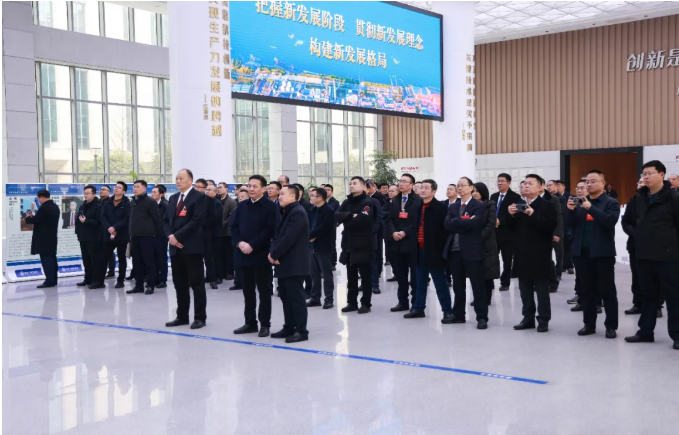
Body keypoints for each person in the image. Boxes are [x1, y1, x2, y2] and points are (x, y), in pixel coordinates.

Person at [625, 161, 679, 350]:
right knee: (648, 296)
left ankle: (677, 335)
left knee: (673, 296)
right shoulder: (639, 198)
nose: (646, 177)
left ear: (662, 174)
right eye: (644, 174)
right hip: (644, 255)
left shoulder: (673, 198)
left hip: (668, 257)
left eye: (650, 173)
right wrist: (637, 235)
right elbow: (629, 221)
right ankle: (645, 332)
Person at [568, 169, 620, 339]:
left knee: (607, 291)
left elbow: (609, 221)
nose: (589, 184)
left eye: (593, 181)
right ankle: (589, 324)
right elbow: (571, 226)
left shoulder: (611, 202)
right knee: (586, 290)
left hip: (602, 253)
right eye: (587, 182)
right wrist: (570, 210)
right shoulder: (581, 202)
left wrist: (590, 208)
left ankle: (611, 326)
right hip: (582, 253)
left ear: (603, 183)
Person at [231, 175, 279, 337]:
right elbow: (234, 227)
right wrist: (240, 243)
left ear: (263, 189)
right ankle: (250, 322)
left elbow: (270, 230)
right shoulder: (242, 206)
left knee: (264, 291)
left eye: (255, 186)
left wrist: (252, 245)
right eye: (249, 186)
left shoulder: (270, 207)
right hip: (243, 254)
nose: (251, 189)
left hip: (261, 255)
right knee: (247, 291)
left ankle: (265, 324)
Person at [509, 175, 558, 333]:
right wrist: (510, 214)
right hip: (522, 253)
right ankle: (528, 318)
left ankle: (543, 319)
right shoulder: (518, 205)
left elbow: (549, 226)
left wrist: (533, 214)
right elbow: (509, 228)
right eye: (524, 183)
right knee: (524, 289)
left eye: (530, 183)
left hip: (540, 253)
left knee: (542, 290)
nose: (526, 186)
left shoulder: (547, 205)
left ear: (540, 187)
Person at [165, 169, 208, 330]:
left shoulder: (199, 197)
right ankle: (182, 316)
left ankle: (200, 317)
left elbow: (196, 221)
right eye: (176, 178)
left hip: (191, 247)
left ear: (190, 180)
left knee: (196, 284)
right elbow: (165, 220)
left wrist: (178, 236)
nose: (178, 181)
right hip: (175, 248)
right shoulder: (173, 198)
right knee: (179, 284)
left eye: (181, 178)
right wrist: (170, 236)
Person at [403, 179, 452, 320]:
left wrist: (442, 251)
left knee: (440, 283)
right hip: (419, 250)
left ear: (434, 191)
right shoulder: (418, 207)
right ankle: (419, 308)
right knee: (419, 282)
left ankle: (447, 311)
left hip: (435, 251)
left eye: (426, 188)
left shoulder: (441, 208)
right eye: (421, 187)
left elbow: (445, 232)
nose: (423, 190)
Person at [444, 177, 489, 329]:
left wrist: (457, 222)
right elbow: (447, 224)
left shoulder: (479, 205)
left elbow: (476, 224)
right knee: (458, 286)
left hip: (472, 250)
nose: (460, 188)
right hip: (454, 251)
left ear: (471, 188)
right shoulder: (453, 206)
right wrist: (465, 221)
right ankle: (458, 314)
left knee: (477, 285)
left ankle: (482, 317)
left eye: (463, 185)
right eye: (458, 185)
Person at [269, 185, 311, 343]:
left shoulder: (297, 212)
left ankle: (301, 331)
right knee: (286, 296)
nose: (279, 197)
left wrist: (274, 254)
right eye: (279, 194)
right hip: (284, 262)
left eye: (282, 194)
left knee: (296, 297)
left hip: (294, 263)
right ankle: (289, 327)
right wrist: (274, 253)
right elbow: (278, 236)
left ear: (293, 196)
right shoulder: (287, 211)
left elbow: (289, 237)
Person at [336, 176, 375, 314]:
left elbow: (363, 220)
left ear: (363, 186)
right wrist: (351, 215)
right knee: (351, 276)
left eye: (355, 183)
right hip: (348, 243)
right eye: (350, 183)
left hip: (363, 244)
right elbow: (336, 216)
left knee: (365, 276)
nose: (351, 186)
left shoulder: (367, 202)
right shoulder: (347, 201)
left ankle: (366, 303)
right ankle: (351, 302)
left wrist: (348, 218)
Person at [386, 173, 423, 312]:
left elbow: (417, 221)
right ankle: (402, 302)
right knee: (401, 276)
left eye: (404, 181)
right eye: (400, 181)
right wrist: (393, 232)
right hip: (397, 243)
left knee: (414, 277)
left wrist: (405, 232)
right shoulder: (395, 200)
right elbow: (389, 219)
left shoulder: (418, 200)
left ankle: (416, 303)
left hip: (412, 243)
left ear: (412, 185)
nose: (401, 184)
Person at [128, 180, 161, 295]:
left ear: (144, 189)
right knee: (137, 262)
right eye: (134, 187)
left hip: (147, 237)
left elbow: (157, 219)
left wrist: (152, 232)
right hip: (135, 236)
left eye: (138, 187)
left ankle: (151, 285)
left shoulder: (150, 201)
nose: (135, 189)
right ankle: (138, 286)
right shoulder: (133, 201)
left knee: (149, 262)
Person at [490, 173, 521, 291]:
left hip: (508, 234)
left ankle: (505, 282)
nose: (499, 183)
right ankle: (490, 281)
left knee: (507, 260)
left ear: (509, 183)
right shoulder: (493, 196)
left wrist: (501, 221)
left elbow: (516, 215)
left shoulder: (515, 197)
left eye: (502, 181)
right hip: (494, 233)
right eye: (498, 181)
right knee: (492, 259)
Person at [306, 188, 335, 309]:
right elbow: (307, 225)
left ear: (320, 198)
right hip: (311, 245)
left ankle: (329, 299)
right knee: (314, 273)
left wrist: (312, 235)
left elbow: (325, 227)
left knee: (326, 274)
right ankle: (315, 297)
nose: (311, 197)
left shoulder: (329, 211)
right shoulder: (311, 210)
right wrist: (309, 236)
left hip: (323, 245)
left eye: (313, 195)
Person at [25, 190, 60, 288]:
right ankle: (53, 280)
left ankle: (49, 280)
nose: (38, 201)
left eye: (38, 199)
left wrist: (28, 218)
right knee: (52, 259)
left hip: (44, 239)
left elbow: (36, 220)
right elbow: (43, 219)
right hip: (52, 237)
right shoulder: (55, 206)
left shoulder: (44, 208)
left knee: (46, 260)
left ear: (41, 197)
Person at [473, 182, 500, 306]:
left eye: (477, 191)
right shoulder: (471, 205)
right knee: (476, 273)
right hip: (473, 243)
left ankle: (487, 298)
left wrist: (479, 237)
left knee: (487, 273)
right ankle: (478, 298)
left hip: (487, 243)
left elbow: (490, 224)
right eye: (473, 191)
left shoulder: (490, 205)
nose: (475, 194)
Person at [100, 182, 131, 289]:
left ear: (123, 191)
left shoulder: (127, 203)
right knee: (104, 257)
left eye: (119, 187)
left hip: (121, 234)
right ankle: (100, 281)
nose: (116, 189)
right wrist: (109, 228)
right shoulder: (108, 202)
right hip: (108, 234)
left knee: (121, 258)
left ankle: (120, 280)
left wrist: (115, 228)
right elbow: (102, 217)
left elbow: (127, 218)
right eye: (115, 187)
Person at [75, 185, 105, 289]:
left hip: (93, 237)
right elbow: (78, 219)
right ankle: (88, 278)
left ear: (93, 194)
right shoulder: (82, 206)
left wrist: (86, 221)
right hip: (83, 237)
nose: (86, 195)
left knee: (95, 260)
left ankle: (98, 281)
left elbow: (99, 222)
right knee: (86, 259)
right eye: (85, 193)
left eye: (88, 193)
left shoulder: (98, 207)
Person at [568, 179, 588, 310]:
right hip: (577, 244)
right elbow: (570, 224)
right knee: (580, 275)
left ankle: (596, 302)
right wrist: (570, 210)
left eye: (582, 188)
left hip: (591, 245)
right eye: (577, 188)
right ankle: (581, 299)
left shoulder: (591, 204)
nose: (579, 190)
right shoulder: (574, 205)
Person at [542, 179, 564, 292]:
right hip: (541, 233)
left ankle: (556, 276)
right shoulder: (531, 199)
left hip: (553, 232)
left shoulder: (554, 199)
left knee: (557, 254)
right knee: (545, 257)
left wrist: (557, 233)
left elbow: (558, 217)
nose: (549, 187)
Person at [229, 189, 250, 290]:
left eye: (243, 197)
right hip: (237, 241)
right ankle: (238, 282)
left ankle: (248, 282)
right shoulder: (235, 210)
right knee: (237, 262)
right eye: (239, 197)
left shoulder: (252, 210)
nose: (240, 199)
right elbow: (232, 225)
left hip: (249, 242)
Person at [205, 183, 224, 288]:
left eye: (210, 190)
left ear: (215, 192)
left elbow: (215, 218)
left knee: (216, 255)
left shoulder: (217, 203)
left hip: (215, 233)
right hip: (207, 234)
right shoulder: (205, 202)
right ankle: (209, 275)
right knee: (208, 256)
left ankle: (218, 276)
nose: (207, 192)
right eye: (206, 190)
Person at [151, 185, 169, 289]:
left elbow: (166, 221)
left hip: (161, 236)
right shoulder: (149, 204)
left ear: (161, 194)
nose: (152, 194)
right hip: (150, 235)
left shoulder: (165, 205)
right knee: (152, 258)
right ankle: (154, 279)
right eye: (152, 192)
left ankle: (163, 280)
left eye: (155, 192)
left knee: (161, 258)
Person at [218, 182, 237, 281]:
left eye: (221, 187)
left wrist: (224, 223)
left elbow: (232, 216)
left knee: (229, 253)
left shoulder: (231, 201)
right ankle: (222, 272)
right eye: (218, 187)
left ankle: (230, 272)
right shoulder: (217, 200)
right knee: (220, 253)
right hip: (219, 232)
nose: (218, 189)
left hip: (227, 232)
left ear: (226, 189)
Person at [384, 184, 399, 281]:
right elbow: (382, 214)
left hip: (398, 233)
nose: (390, 193)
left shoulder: (400, 203)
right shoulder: (387, 202)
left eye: (393, 191)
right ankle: (396, 274)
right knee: (390, 255)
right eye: (389, 191)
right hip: (388, 233)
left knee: (398, 257)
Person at [324, 184, 340, 270]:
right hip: (322, 227)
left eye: (328, 190)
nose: (326, 191)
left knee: (332, 245)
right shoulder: (321, 201)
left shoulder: (335, 202)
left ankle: (333, 263)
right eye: (325, 189)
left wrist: (336, 223)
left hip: (331, 227)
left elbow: (338, 214)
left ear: (332, 192)